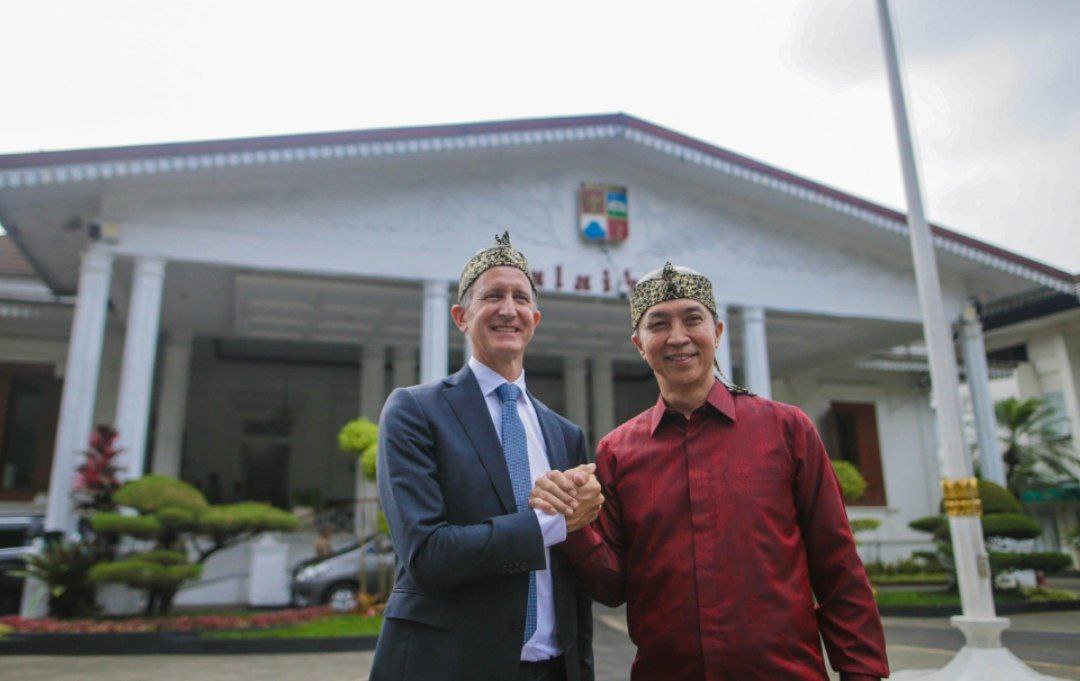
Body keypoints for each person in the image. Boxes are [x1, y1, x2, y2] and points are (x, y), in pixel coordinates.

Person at [532, 263, 889, 680]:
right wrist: (572, 521)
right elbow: (612, 586)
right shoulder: (617, 452)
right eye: (659, 324)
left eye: (692, 319)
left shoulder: (785, 429)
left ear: (717, 332)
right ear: (639, 344)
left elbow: (837, 564)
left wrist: (861, 672)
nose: (678, 337)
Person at [370, 233, 601, 681]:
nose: (508, 309)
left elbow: (571, 576)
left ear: (534, 319)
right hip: (448, 664)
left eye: (520, 298)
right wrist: (551, 522)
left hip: (554, 667)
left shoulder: (564, 434)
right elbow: (428, 554)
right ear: (461, 316)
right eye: (493, 296)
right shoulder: (416, 411)